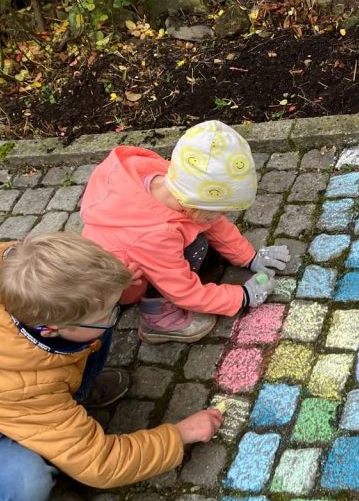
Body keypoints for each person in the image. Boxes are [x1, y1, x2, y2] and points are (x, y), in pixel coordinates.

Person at [0, 233, 223, 501]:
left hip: (4, 382)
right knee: (25, 483)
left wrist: (112, 283)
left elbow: (80, 287)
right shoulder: (19, 388)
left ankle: (76, 393)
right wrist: (179, 435)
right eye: (108, 311)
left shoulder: (21, 269)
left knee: (95, 330)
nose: (114, 313)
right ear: (49, 329)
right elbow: (100, 463)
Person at [81, 120, 290, 343]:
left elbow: (211, 222)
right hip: (124, 286)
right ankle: (159, 318)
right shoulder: (155, 234)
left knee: (197, 236)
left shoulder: (170, 178)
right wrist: (242, 296)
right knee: (196, 245)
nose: (223, 217)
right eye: (220, 211)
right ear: (194, 205)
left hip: (141, 253)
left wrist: (248, 257)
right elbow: (183, 290)